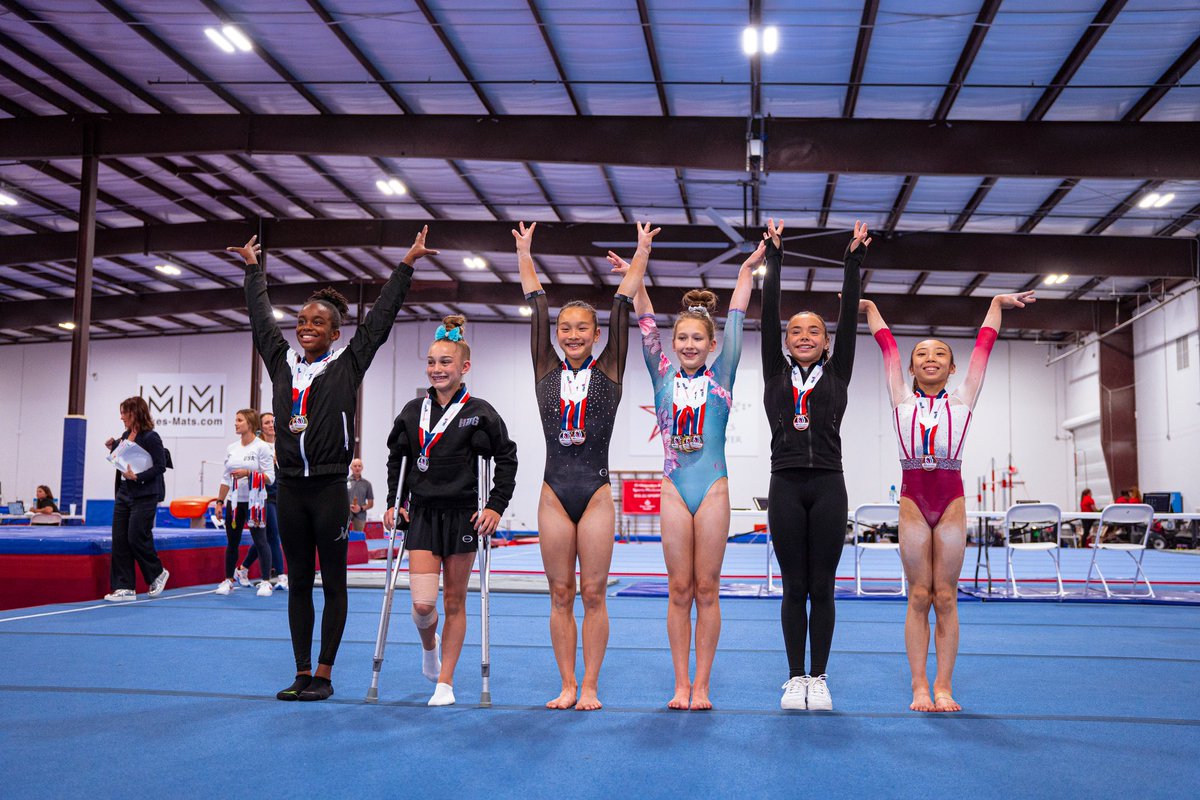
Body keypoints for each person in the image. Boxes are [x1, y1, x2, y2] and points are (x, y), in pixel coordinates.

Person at [229, 228, 432, 702]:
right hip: (290, 491)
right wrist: (252, 271)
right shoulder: (282, 366)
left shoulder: (348, 364)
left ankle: (324, 672)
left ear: (334, 332)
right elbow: (261, 323)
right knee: (298, 582)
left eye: (317, 322)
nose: (306, 327)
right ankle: (301, 671)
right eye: (301, 320)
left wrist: (406, 264)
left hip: (327, 490)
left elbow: (380, 320)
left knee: (333, 583)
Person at [861, 289, 1035, 712]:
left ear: (952, 367)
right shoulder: (900, 397)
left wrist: (996, 304)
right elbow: (885, 343)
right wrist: (865, 306)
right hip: (913, 501)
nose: (930, 358)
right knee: (919, 594)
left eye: (940, 353)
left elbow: (984, 347)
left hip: (952, 499)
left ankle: (943, 685)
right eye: (921, 354)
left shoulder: (963, 399)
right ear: (911, 366)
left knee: (947, 596)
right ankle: (920, 685)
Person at [515, 219, 658, 710]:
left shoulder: (611, 367)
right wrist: (525, 252)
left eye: (582, 328)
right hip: (553, 493)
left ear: (597, 336)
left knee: (593, 593)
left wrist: (641, 251)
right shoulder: (544, 368)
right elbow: (536, 306)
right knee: (560, 594)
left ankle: (591, 685)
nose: (572, 335)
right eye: (565, 328)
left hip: (595, 494)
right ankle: (566, 684)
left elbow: (622, 303)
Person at [610, 241, 759, 710]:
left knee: (707, 588)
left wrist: (746, 272)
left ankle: (703, 685)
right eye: (683, 340)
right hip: (674, 489)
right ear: (673, 346)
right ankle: (680, 683)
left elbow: (736, 318)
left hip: (712, 488)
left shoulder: (724, 375)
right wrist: (637, 268)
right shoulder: (661, 376)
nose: (690, 345)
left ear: (711, 345)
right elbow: (646, 320)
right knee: (678, 588)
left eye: (698, 339)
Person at [761, 219, 870, 712]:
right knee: (793, 586)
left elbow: (848, 320)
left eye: (814, 331)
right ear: (785, 343)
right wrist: (775, 259)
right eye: (796, 331)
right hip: (784, 483)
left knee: (822, 586)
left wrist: (852, 263)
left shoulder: (839, 369)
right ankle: (793, 678)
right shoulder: (773, 369)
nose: (804, 336)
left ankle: (819, 677)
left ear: (827, 342)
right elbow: (767, 315)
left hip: (828, 484)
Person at [384, 315, 518, 706]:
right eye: (431, 361)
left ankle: (446, 682)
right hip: (423, 514)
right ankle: (430, 647)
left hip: (463, 514)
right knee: (423, 605)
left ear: (464, 367)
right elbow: (398, 459)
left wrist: (495, 505)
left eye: (445, 362)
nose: (437, 369)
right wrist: (396, 502)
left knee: (454, 600)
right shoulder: (412, 412)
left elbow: (507, 459)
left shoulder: (481, 412)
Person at [103, 396, 169, 602]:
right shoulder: (125, 434)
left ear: (135, 413)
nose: (121, 417)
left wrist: (138, 477)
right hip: (124, 492)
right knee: (120, 539)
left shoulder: (151, 437)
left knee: (136, 536)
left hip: (145, 494)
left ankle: (157, 573)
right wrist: (114, 447)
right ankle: (124, 587)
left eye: (124, 413)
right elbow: (124, 460)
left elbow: (160, 466)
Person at [210, 409, 276, 598]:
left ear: (250, 423)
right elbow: (225, 478)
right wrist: (220, 502)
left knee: (261, 540)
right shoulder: (232, 448)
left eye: (239, 420)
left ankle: (265, 581)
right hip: (234, 501)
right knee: (232, 542)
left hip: (255, 501)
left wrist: (248, 474)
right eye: (236, 420)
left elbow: (270, 477)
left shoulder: (262, 447)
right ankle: (228, 580)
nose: (236, 423)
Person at [237, 412, 287, 589]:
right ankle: (281, 576)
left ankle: (243, 568)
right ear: (261, 427)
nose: (271, 425)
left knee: (263, 539)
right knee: (273, 534)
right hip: (264, 496)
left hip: (282, 494)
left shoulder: (284, 444)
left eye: (273, 422)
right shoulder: (259, 446)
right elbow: (254, 470)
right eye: (266, 423)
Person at [347, 458, 374, 533]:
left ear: (362, 467)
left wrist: (360, 508)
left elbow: (370, 504)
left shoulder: (367, 484)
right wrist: (348, 506)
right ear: (351, 467)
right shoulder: (345, 482)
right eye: (355, 466)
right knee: (345, 537)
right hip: (347, 514)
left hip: (361, 515)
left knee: (358, 539)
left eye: (359, 466)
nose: (357, 468)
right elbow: (340, 499)